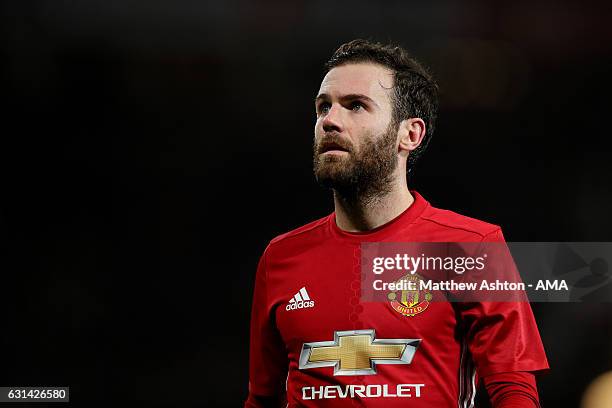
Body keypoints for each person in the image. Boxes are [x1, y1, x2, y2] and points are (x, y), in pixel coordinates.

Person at [245, 39, 549, 407]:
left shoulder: (473, 247)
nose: (330, 121)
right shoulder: (281, 258)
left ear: (410, 134)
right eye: (323, 107)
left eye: (356, 105)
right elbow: (261, 399)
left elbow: (513, 392)